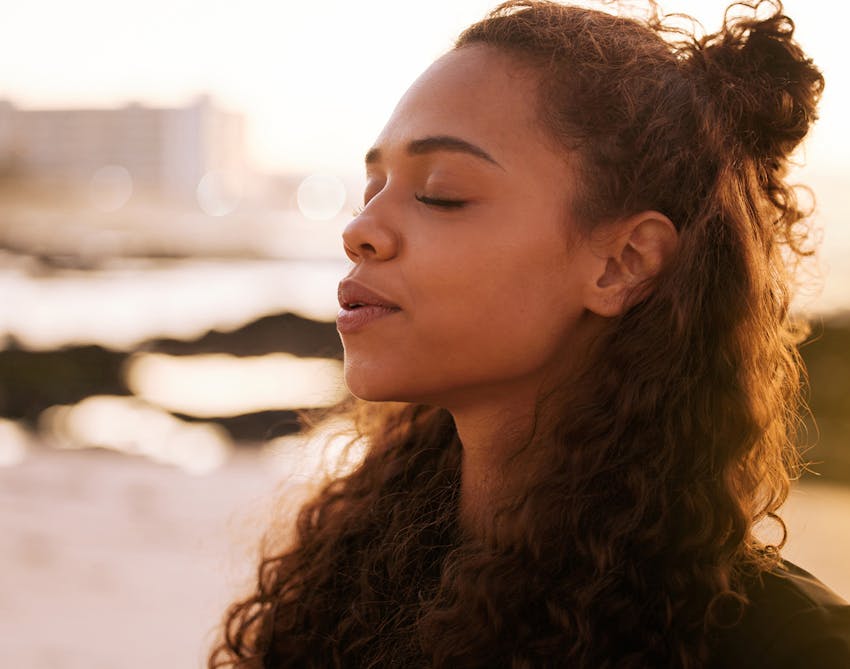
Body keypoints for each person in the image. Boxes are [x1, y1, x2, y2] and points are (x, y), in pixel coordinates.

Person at [210, 1, 850, 666]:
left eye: (441, 193)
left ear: (622, 263)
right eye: (372, 188)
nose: (360, 229)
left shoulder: (788, 647)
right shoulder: (351, 579)